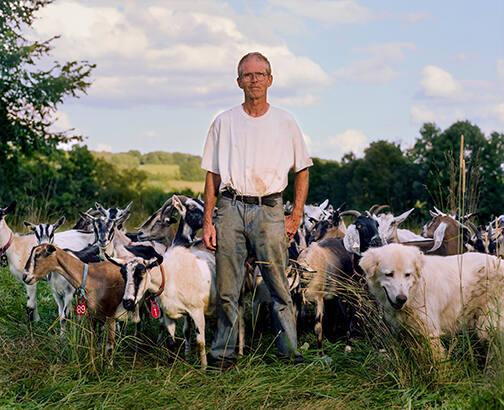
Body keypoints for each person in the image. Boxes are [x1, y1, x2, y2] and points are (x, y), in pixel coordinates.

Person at [201, 52, 313, 369]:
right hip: (231, 207)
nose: (254, 80)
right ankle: (224, 355)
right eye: (248, 75)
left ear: (270, 79)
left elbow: (302, 170)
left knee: (278, 285)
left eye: (260, 74)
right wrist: (208, 221)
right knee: (228, 288)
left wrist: (296, 215)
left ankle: (289, 353)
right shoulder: (224, 122)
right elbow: (212, 174)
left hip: (270, 208)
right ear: (239, 82)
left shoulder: (285, 121)